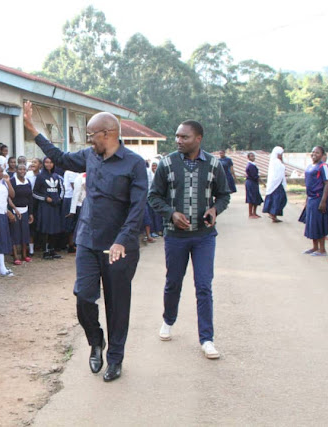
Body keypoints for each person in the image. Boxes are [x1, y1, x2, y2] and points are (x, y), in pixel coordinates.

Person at [24, 101, 147, 382]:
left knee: (117, 305)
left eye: (91, 135)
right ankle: (96, 340)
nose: (89, 141)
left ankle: (115, 359)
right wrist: (34, 130)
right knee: (83, 298)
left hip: (118, 247)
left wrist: (122, 240)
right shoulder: (90, 156)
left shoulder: (134, 164)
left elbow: (137, 207)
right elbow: (59, 156)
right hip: (89, 240)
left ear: (108, 133)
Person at [149, 120, 231, 360]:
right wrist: (171, 214)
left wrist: (215, 209)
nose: (178, 140)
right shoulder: (166, 164)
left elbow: (224, 196)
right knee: (173, 282)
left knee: (204, 286)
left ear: (198, 139)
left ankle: (207, 339)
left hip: (204, 237)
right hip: (176, 237)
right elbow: (154, 197)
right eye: (177, 136)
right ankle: (168, 320)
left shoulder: (214, 165)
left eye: (184, 137)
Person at [302, 146, 328, 257]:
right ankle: (315, 247)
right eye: (313, 152)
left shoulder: (323, 166)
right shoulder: (310, 166)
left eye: (317, 152)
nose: (314, 154)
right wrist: (307, 199)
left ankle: (322, 249)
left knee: (319, 223)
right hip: (311, 198)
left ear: (322, 155)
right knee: (311, 223)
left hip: (319, 198)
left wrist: (323, 201)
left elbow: (327, 183)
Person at [33, 157, 64, 260]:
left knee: (55, 228)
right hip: (45, 207)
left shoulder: (56, 176)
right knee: (46, 228)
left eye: (51, 162)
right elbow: (35, 192)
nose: (49, 164)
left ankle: (52, 249)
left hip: (55, 206)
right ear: (43, 164)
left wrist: (59, 199)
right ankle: (45, 251)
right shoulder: (40, 176)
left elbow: (61, 190)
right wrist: (45, 198)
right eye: (46, 162)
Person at [10, 163, 34, 264]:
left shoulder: (27, 181)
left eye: (24, 169)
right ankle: (16, 256)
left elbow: (30, 198)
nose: (22, 171)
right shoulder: (12, 181)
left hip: (25, 210)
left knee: (25, 233)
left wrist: (31, 213)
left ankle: (24, 255)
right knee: (15, 233)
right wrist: (13, 210)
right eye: (20, 169)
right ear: (16, 170)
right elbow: (9, 197)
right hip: (15, 210)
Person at [262, 146, 287, 223]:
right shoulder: (277, 162)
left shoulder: (274, 161)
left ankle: (273, 214)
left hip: (274, 183)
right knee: (278, 199)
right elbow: (281, 171)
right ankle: (273, 214)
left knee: (275, 199)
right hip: (277, 183)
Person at [62, 169, 78, 252]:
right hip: (70, 198)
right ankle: (71, 245)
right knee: (70, 222)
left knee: (75, 222)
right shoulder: (70, 171)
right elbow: (74, 187)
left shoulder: (79, 171)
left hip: (77, 198)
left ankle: (74, 244)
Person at [245, 152, 264, 219]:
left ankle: (254, 213)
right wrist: (262, 182)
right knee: (251, 198)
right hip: (251, 182)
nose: (253, 157)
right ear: (248, 157)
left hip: (254, 183)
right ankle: (250, 214)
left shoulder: (253, 165)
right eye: (251, 156)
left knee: (256, 197)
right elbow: (255, 176)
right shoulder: (250, 165)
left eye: (253, 156)